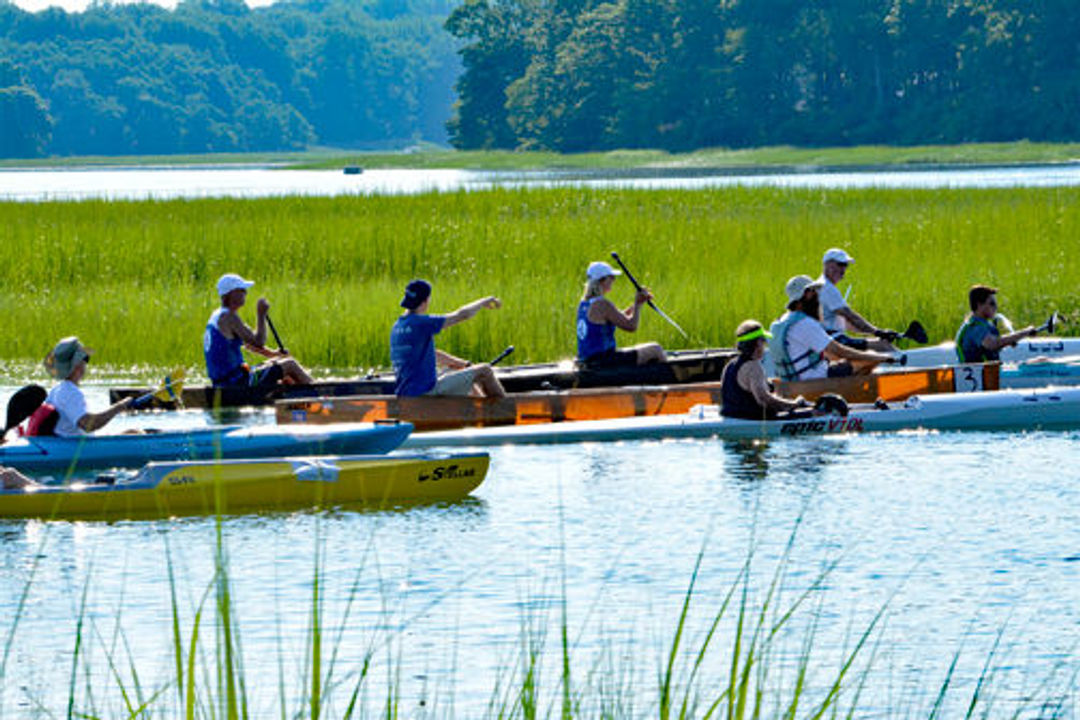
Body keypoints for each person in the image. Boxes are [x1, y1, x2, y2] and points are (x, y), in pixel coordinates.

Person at [390, 279, 507, 398]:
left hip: (406, 393)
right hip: (426, 392)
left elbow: (434, 354)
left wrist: (465, 365)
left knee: (456, 370)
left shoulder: (397, 326)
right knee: (485, 371)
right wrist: (484, 301)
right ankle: (506, 411)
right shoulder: (420, 322)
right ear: (426, 301)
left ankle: (479, 412)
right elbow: (462, 315)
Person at [769, 275, 898, 382]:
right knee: (869, 359)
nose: (818, 297)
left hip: (793, 380)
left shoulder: (779, 322)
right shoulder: (805, 323)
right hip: (815, 378)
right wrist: (880, 357)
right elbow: (841, 351)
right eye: (814, 292)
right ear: (807, 294)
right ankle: (850, 394)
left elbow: (827, 353)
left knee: (847, 362)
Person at [204, 273, 312, 389]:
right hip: (237, 382)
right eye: (242, 290)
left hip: (225, 381)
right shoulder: (229, 317)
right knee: (290, 364)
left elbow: (249, 344)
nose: (245, 293)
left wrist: (273, 354)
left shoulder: (217, 316)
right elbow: (258, 341)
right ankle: (319, 393)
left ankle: (298, 395)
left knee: (281, 367)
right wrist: (261, 314)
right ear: (231, 294)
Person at [41, 336, 136, 436]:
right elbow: (88, 425)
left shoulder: (57, 389)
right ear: (78, 365)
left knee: (134, 432)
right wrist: (120, 406)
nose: (85, 363)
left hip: (74, 442)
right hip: (75, 448)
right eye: (85, 359)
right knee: (137, 433)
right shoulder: (69, 392)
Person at [576, 261, 666, 366]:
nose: (614, 280)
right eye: (611, 277)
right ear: (602, 280)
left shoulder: (584, 304)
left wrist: (637, 304)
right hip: (603, 360)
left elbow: (615, 317)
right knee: (656, 349)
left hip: (588, 359)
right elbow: (631, 326)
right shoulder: (603, 304)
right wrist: (637, 305)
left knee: (651, 350)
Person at [721, 320, 810, 420]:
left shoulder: (730, 365)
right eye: (764, 342)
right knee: (811, 411)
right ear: (757, 344)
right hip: (751, 419)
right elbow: (763, 400)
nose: (765, 346)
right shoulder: (754, 367)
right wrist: (793, 404)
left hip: (729, 415)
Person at [817, 248, 899, 351]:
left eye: (845, 265)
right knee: (883, 346)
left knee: (877, 343)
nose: (843, 270)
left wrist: (876, 333)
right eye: (840, 264)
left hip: (831, 338)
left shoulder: (822, 286)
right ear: (827, 265)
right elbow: (850, 316)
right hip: (834, 339)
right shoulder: (828, 288)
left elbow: (847, 323)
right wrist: (877, 332)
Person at [955, 285, 1037, 363]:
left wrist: (1009, 341)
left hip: (989, 371)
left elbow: (993, 345)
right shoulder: (975, 327)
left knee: (1042, 361)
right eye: (992, 303)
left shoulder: (982, 323)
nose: (996, 307)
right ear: (979, 305)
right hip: (980, 374)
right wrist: (1026, 332)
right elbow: (993, 344)